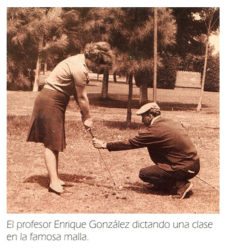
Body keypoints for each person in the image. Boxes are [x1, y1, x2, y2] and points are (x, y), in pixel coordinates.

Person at [27, 41, 114, 195]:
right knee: (51, 142)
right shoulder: (79, 68)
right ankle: (53, 182)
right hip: (50, 100)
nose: (98, 69)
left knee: (55, 140)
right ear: (93, 59)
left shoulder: (80, 60)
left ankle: (55, 177)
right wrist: (87, 117)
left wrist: (84, 116)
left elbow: (77, 94)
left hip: (56, 100)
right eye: (98, 65)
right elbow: (81, 97)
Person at [92, 102, 200, 199]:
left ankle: (180, 185)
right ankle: (167, 182)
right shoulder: (169, 122)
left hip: (183, 167)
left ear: (150, 115)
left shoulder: (155, 130)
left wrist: (104, 145)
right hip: (193, 164)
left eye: (143, 117)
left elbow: (131, 143)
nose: (142, 120)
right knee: (154, 167)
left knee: (145, 174)